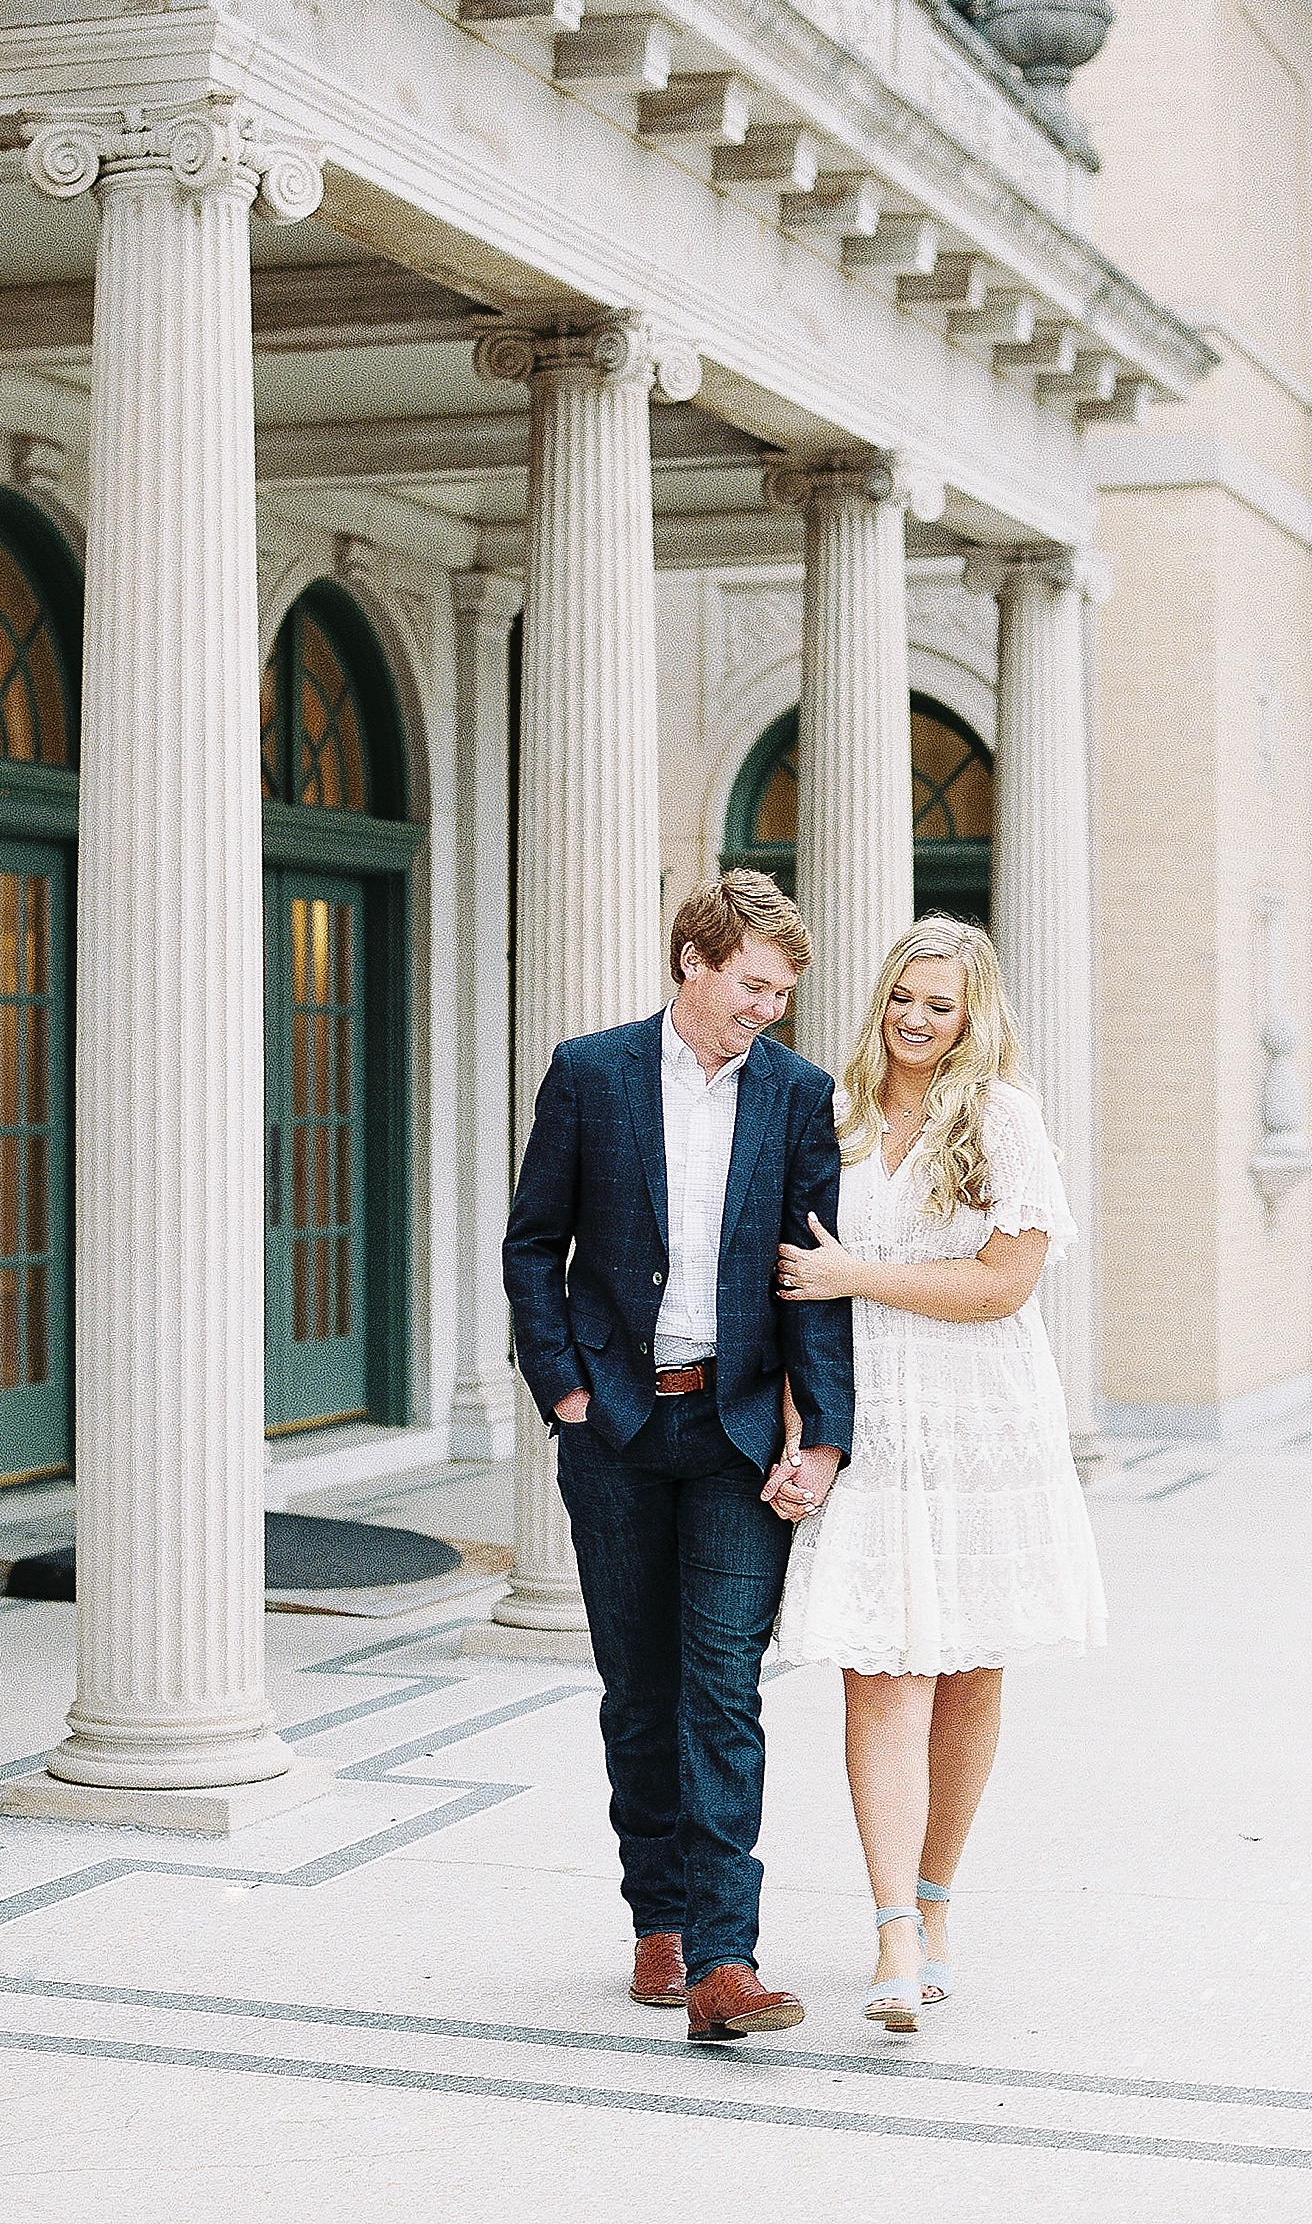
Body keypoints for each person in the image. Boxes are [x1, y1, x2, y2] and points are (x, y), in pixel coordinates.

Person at [503, 869, 854, 2043]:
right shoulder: (591, 1071)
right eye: (753, 983)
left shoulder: (801, 1096)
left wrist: (828, 1437)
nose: (767, 1008)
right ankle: (655, 1910)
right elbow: (531, 1243)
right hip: (612, 1424)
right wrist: (562, 1388)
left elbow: (815, 1280)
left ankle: (724, 1957)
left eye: (782, 992)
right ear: (693, 961)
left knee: (722, 1685)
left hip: (736, 1430)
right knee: (640, 1684)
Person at [770, 915, 1106, 2031]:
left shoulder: (1004, 1118)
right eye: (903, 998)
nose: (916, 1019)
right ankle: (892, 1938)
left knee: (965, 1667)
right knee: (882, 1665)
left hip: (981, 1422)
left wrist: (854, 1271)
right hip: (871, 1417)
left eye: (940, 1005)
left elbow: (1005, 1283)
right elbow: (790, 1289)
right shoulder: (836, 1111)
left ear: (973, 1015)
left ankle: (936, 1898)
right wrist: (798, 1431)